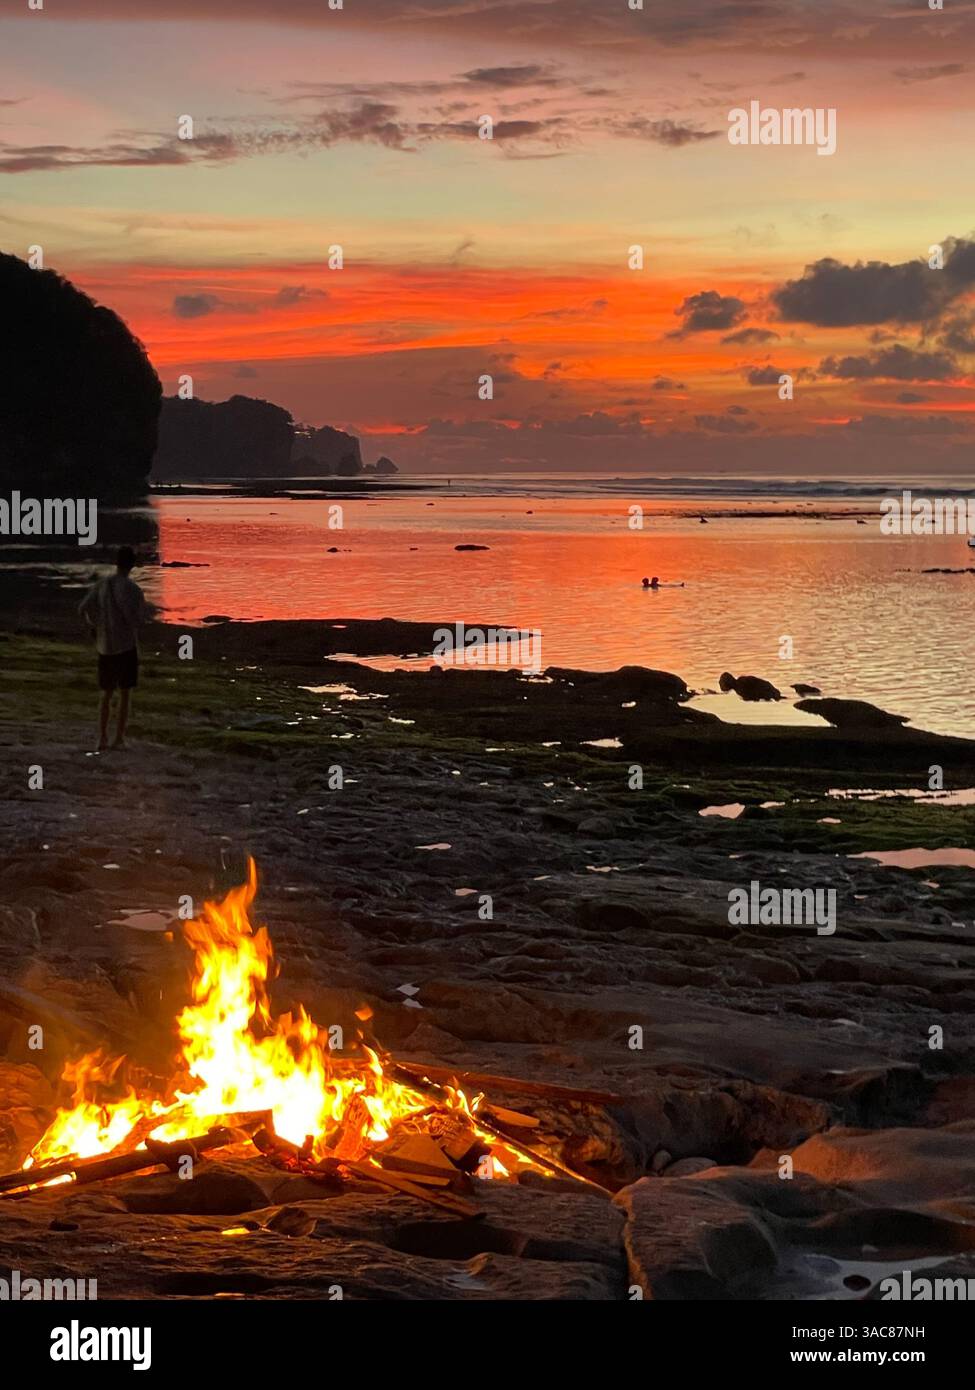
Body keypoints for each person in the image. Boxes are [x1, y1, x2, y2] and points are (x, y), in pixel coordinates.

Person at [79, 546, 151, 752]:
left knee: (106, 693)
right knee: (125, 694)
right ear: (132, 565)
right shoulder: (134, 590)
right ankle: (118, 738)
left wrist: (93, 627)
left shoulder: (103, 584)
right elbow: (137, 620)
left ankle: (101, 737)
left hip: (104, 646)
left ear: (117, 562)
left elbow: (82, 609)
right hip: (126, 646)